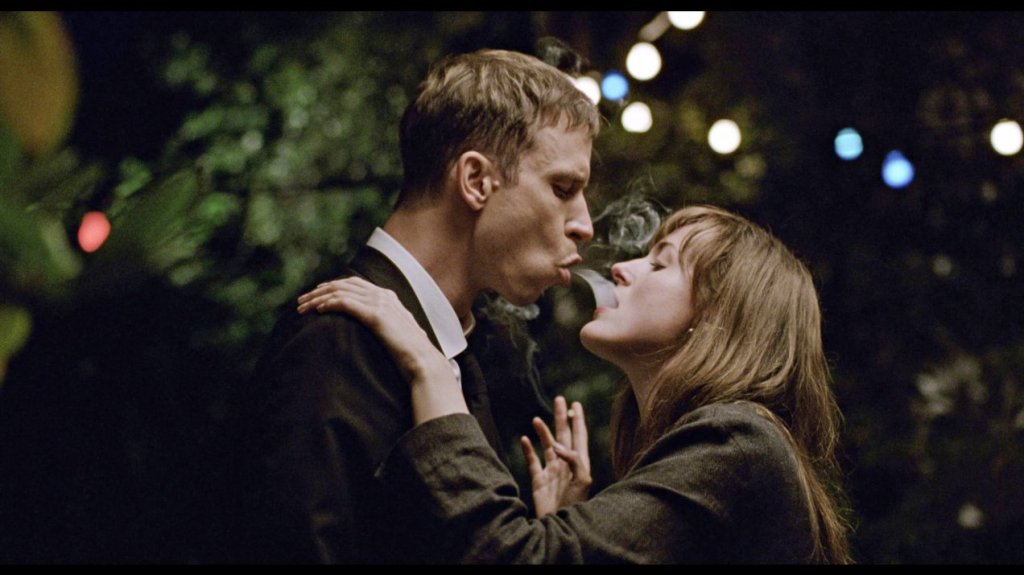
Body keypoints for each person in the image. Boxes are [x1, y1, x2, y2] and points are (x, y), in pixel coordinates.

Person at [298, 204, 855, 564]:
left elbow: (507, 557)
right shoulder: (731, 449)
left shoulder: (738, 443)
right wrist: (563, 531)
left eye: (661, 264)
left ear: (716, 317)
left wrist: (432, 370)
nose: (622, 269)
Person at [238, 46, 602, 564]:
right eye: (563, 188)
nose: (584, 225)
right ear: (476, 181)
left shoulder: (450, 351)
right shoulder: (336, 342)